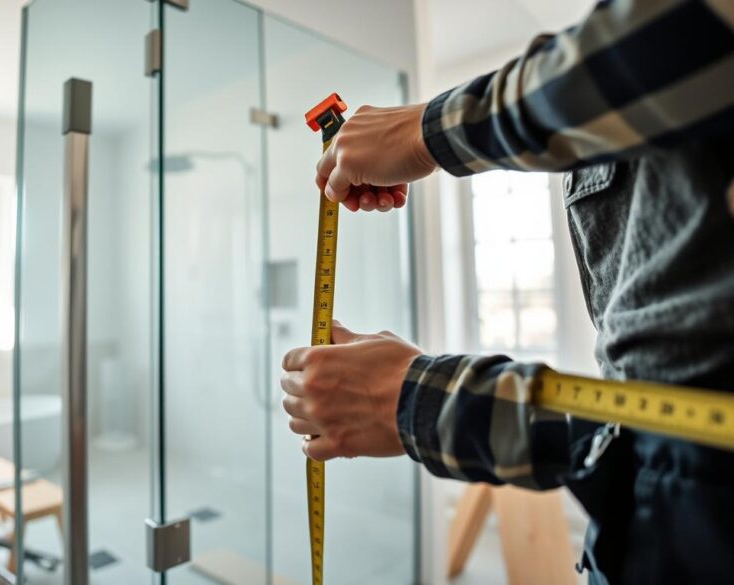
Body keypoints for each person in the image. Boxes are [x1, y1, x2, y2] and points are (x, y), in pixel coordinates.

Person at [279, 0, 734, 583]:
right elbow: (643, 428)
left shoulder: (674, 49)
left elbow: (672, 44)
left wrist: (426, 130)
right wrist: (420, 398)